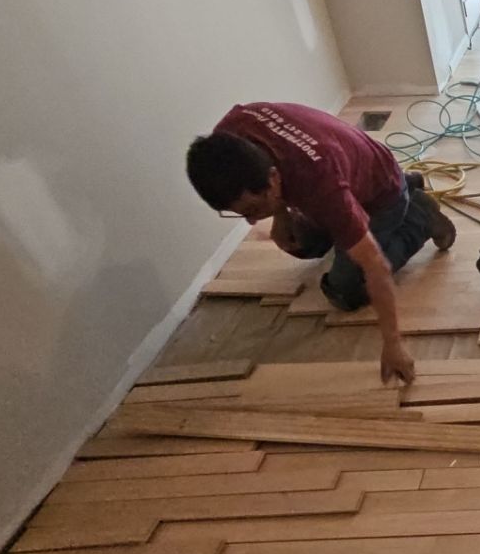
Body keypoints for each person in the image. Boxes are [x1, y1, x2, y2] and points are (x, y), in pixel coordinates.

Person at [186, 102, 455, 383]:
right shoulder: (228, 141)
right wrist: (280, 215)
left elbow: (376, 267)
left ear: (273, 179)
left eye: (253, 210)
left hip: (380, 193)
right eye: (241, 213)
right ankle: (402, 188)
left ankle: (419, 217)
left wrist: (393, 344)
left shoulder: (321, 185)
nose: (252, 222)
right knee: (300, 244)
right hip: (351, 169)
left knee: (346, 291)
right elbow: (277, 161)